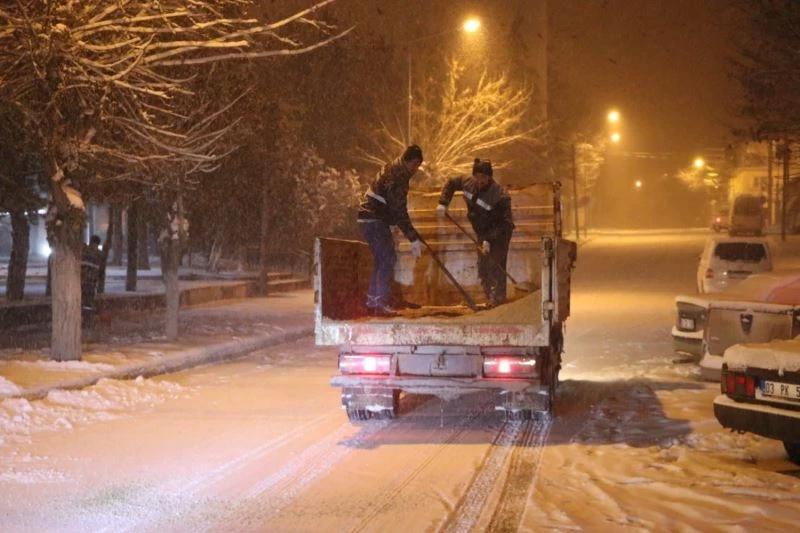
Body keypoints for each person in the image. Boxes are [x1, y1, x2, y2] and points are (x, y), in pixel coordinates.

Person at [436, 158, 514, 307]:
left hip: (500, 232)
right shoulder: (467, 183)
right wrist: (443, 202)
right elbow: (451, 183)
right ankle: (489, 298)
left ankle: (498, 299)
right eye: (477, 177)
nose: (480, 181)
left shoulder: (499, 195)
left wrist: (489, 240)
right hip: (482, 231)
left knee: (495, 263)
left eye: (484, 177)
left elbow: (503, 222)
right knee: (483, 265)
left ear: (490, 177)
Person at [357, 144, 424, 316]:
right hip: (373, 218)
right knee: (386, 258)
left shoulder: (393, 168)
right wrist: (413, 237)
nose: (416, 169)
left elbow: (390, 205)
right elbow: (399, 210)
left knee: (384, 258)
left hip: (372, 217)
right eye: (415, 165)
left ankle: (375, 299)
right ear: (410, 161)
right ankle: (378, 301)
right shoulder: (398, 176)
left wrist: (394, 226)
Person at [80, 235, 104, 326]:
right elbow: (101, 271)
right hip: (92, 282)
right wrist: (100, 287)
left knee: (80, 300)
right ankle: (87, 320)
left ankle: (78, 318)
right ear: (98, 244)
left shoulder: (83, 250)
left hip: (81, 280)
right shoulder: (99, 254)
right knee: (88, 302)